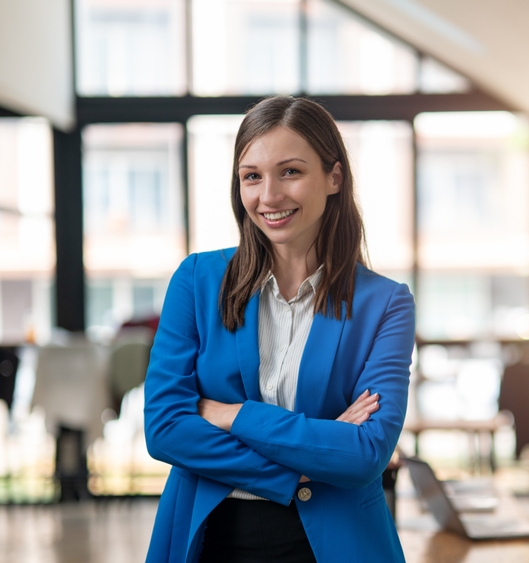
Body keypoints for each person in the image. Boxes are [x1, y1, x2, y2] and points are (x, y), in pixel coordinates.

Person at [143, 96, 415, 563]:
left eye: (290, 171)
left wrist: (230, 415)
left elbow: (367, 452)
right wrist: (304, 464)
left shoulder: (385, 303)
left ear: (334, 177)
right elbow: (165, 427)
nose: (268, 196)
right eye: (252, 176)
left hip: (336, 543)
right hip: (208, 536)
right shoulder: (196, 281)